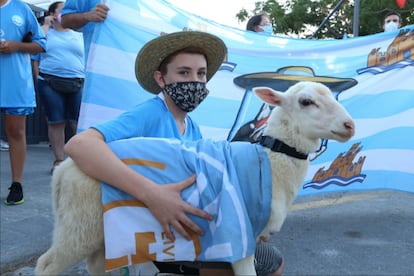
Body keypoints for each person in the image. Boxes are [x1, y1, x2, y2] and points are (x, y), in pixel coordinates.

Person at [64, 31, 283, 275]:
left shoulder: (193, 129)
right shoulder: (150, 113)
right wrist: (152, 194)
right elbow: (79, 145)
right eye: (183, 72)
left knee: (270, 260)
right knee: (232, 267)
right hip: (154, 231)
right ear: (161, 79)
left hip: (181, 225)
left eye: (201, 74)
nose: (195, 81)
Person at [0, 0, 46, 205]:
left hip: (15, 81)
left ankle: (16, 184)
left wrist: (16, 45)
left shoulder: (21, 9)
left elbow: (41, 44)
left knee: (16, 132)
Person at [33, 1, 85, 174]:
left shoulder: (79, 35)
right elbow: (36, 50)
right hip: (49, 81)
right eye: (63, 11)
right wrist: (46, 24)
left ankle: (82, 160)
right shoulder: (46, 33)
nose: (68, 13)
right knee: (56, 122)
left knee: (78, 123)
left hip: (77, 82)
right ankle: (58, 160)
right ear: (53, 14)